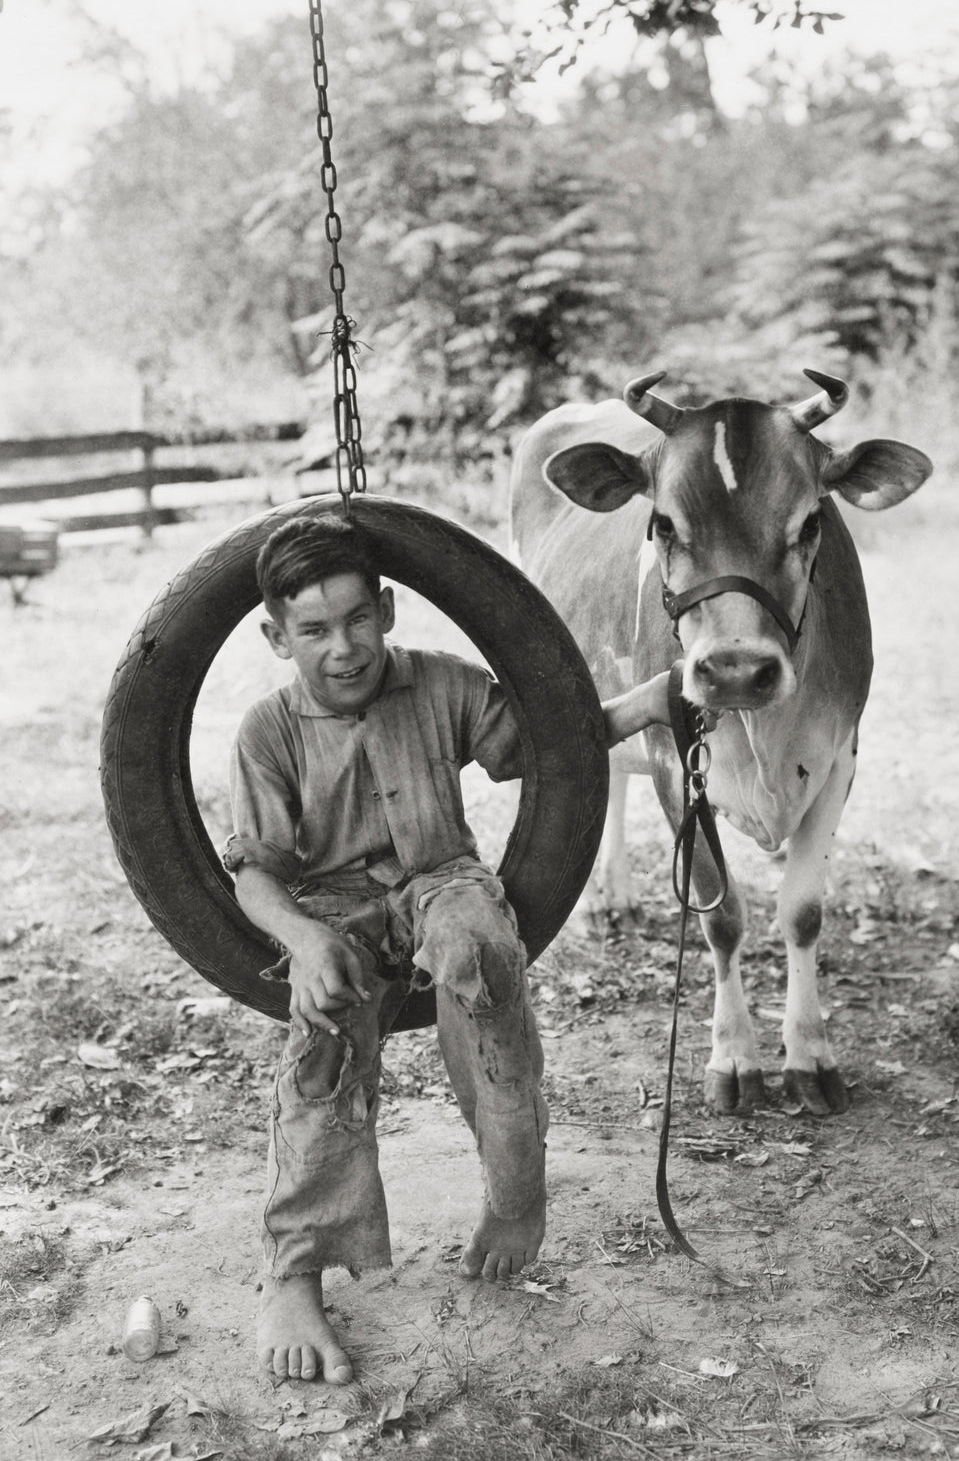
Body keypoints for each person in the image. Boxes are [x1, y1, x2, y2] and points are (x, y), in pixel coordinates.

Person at [223, 515, 668, 1385]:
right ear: (278, 637)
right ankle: (295, 1272)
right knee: (324, 1033)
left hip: (440, 880)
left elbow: (554, 746)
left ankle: (514, 1193)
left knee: (481, 953)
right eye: (313, 630)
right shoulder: (267, 732)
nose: (343, 647)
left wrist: (652, 701)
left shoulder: (441, 685)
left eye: (357, 619)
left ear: (388, 609)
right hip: (336, 906)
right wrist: (306, 938)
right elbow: (254, 874)